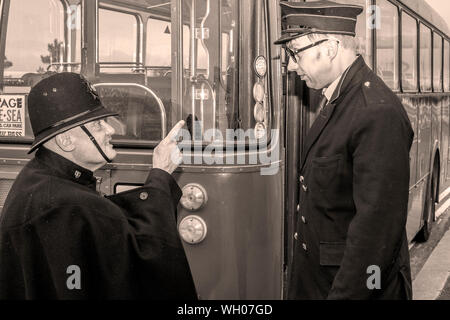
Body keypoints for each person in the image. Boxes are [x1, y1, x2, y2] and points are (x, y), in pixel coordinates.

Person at [0, 72, 197, 299]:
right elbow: (140, 257)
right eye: (97, 124)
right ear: (66, 141)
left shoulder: (39, 180)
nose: (111, 129)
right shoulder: (66, 204)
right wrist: (161, 174)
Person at [274, 1, 414, 299]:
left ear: (331, 47)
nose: (290, 65)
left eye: (295, 52)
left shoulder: (376, 112)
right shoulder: (340, 98)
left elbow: (375, 234)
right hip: (320, 280)